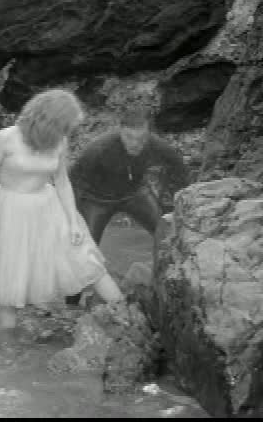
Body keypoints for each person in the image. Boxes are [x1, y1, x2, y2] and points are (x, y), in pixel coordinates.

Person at [0, 89, 124, 344]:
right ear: (50, 120)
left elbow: (62, 181)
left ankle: (126, 316)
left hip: (49, 207)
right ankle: (8, 348)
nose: (67, 132)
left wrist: (73, 222)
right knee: (10, 284)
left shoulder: (59, 141)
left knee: (87, 262)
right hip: (10, 212)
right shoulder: (5, 138)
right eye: (65, 126)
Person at [65, 106, 190, 306]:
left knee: (165, 231)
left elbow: (179, 168)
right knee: (85, 250)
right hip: (97, 199)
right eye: (129, 138)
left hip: (134, 194)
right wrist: (72, 218)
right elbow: (72, 182)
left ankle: (172, 281)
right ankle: (71, 303)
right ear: (121, 131)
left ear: (148, 134)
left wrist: (178, 203)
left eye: (141, 139)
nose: (135, 144)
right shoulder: (99, 149)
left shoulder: (156, 145)